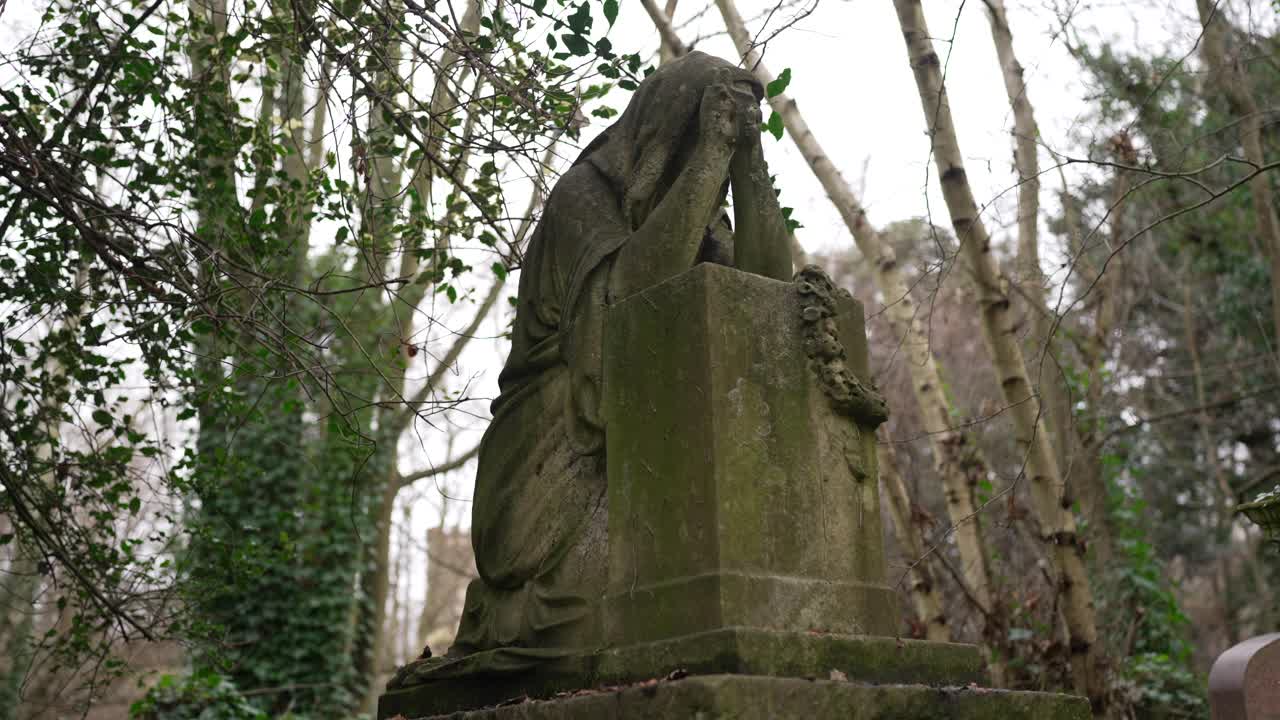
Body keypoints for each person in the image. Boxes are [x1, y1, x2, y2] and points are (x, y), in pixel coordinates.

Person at [403, 51, 794, 681]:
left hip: (642, 441)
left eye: (712, 149)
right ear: (669, 134)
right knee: (593, 619)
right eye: (696, 142)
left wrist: (748, 165)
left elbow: (768, 292)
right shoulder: (581, 198)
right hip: (555, 453)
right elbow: (630, 301)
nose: (705, 163)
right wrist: (711, 159)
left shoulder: (696, 215)